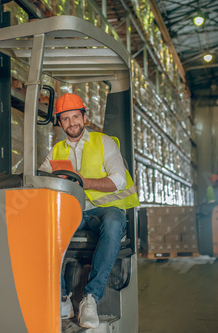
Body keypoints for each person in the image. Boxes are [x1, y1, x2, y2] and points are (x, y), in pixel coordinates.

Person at [39, 92, 140, 328]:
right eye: (66, 119)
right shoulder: (56, 151)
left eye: (76, 116)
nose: (72, 123)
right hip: (71, 211)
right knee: (41, 225)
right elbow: (40, 177)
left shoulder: (105, 143)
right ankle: (62, 297)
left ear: (85, 117)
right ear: (60, 122)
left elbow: (119, 181)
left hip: (101, 211)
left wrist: (83, 181)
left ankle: (91, 298)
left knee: (115, 223)